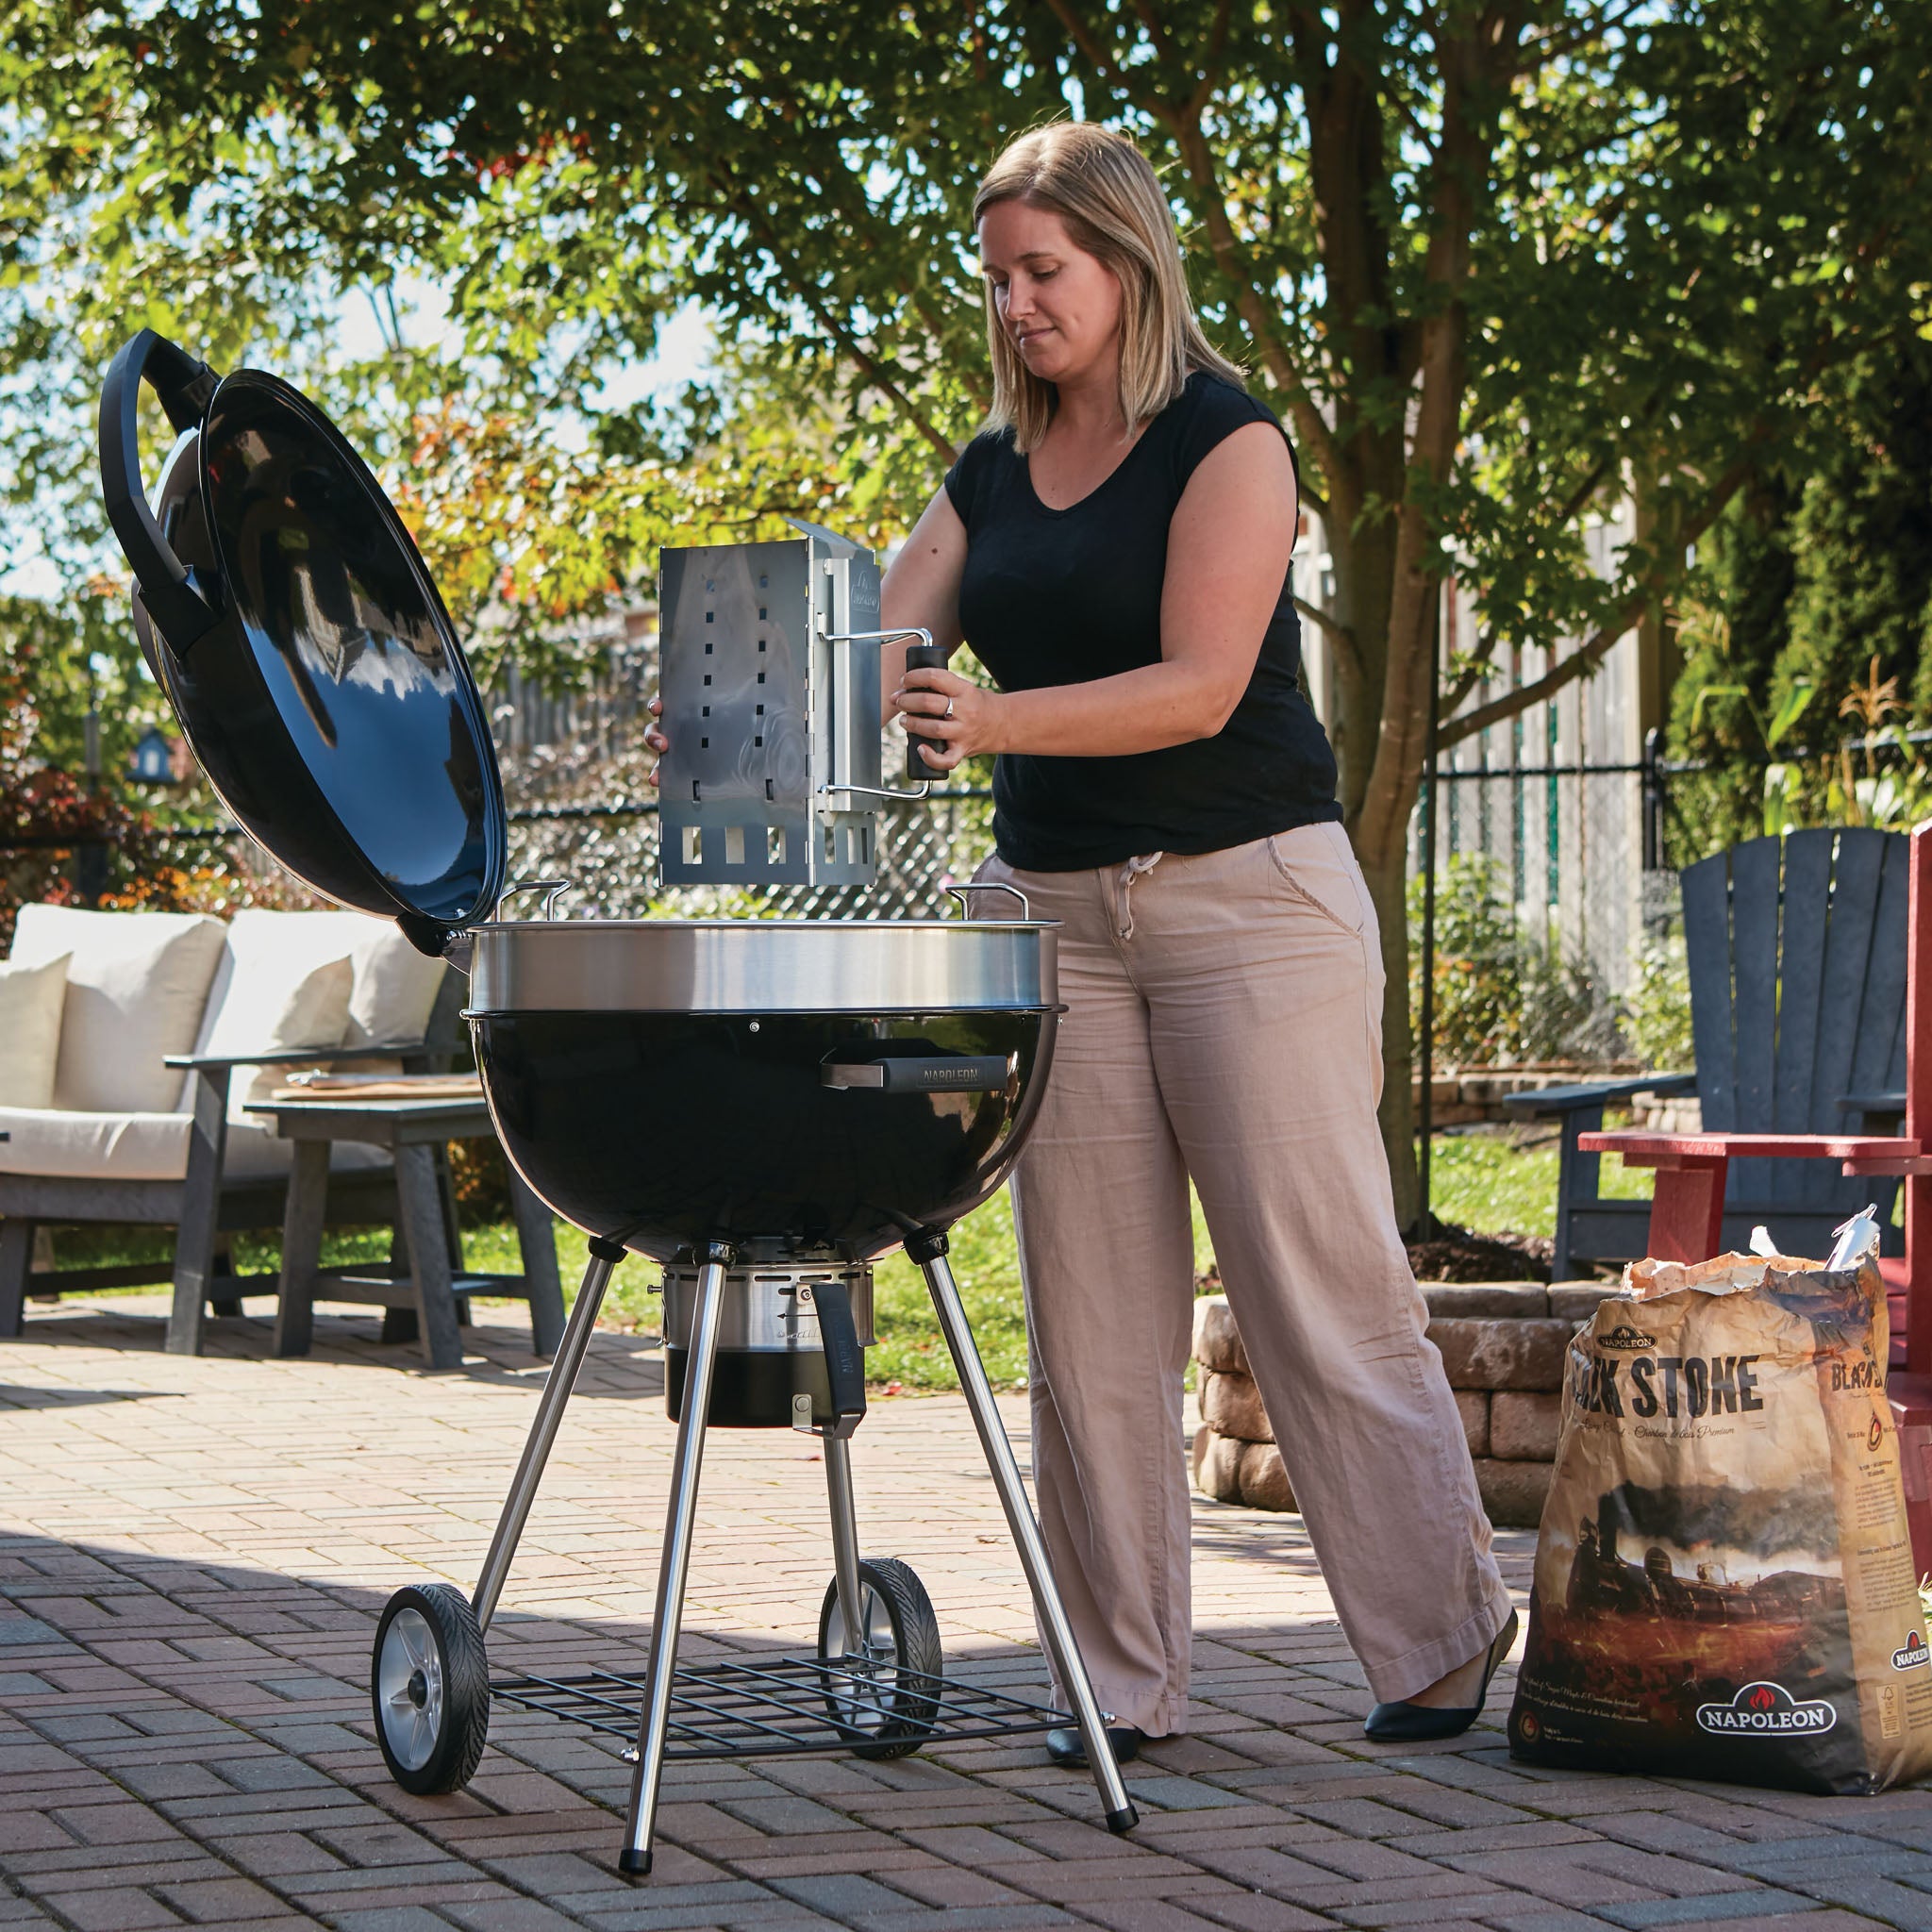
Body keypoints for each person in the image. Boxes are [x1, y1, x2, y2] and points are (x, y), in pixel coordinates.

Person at [649, 121, 1515, 1766]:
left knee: (1311, 1285)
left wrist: (987, 718)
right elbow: (880, 640)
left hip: (1248, 898)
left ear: (1127, 264)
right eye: (999, 280)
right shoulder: (988, 470)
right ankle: (1121, 1684)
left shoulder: (1228, 441)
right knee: (1093, 1323)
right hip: (1060, 920)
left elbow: (1198, 681)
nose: (1019, 305)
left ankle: (1442, 1633)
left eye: (1044, 272)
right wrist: (732, 731)